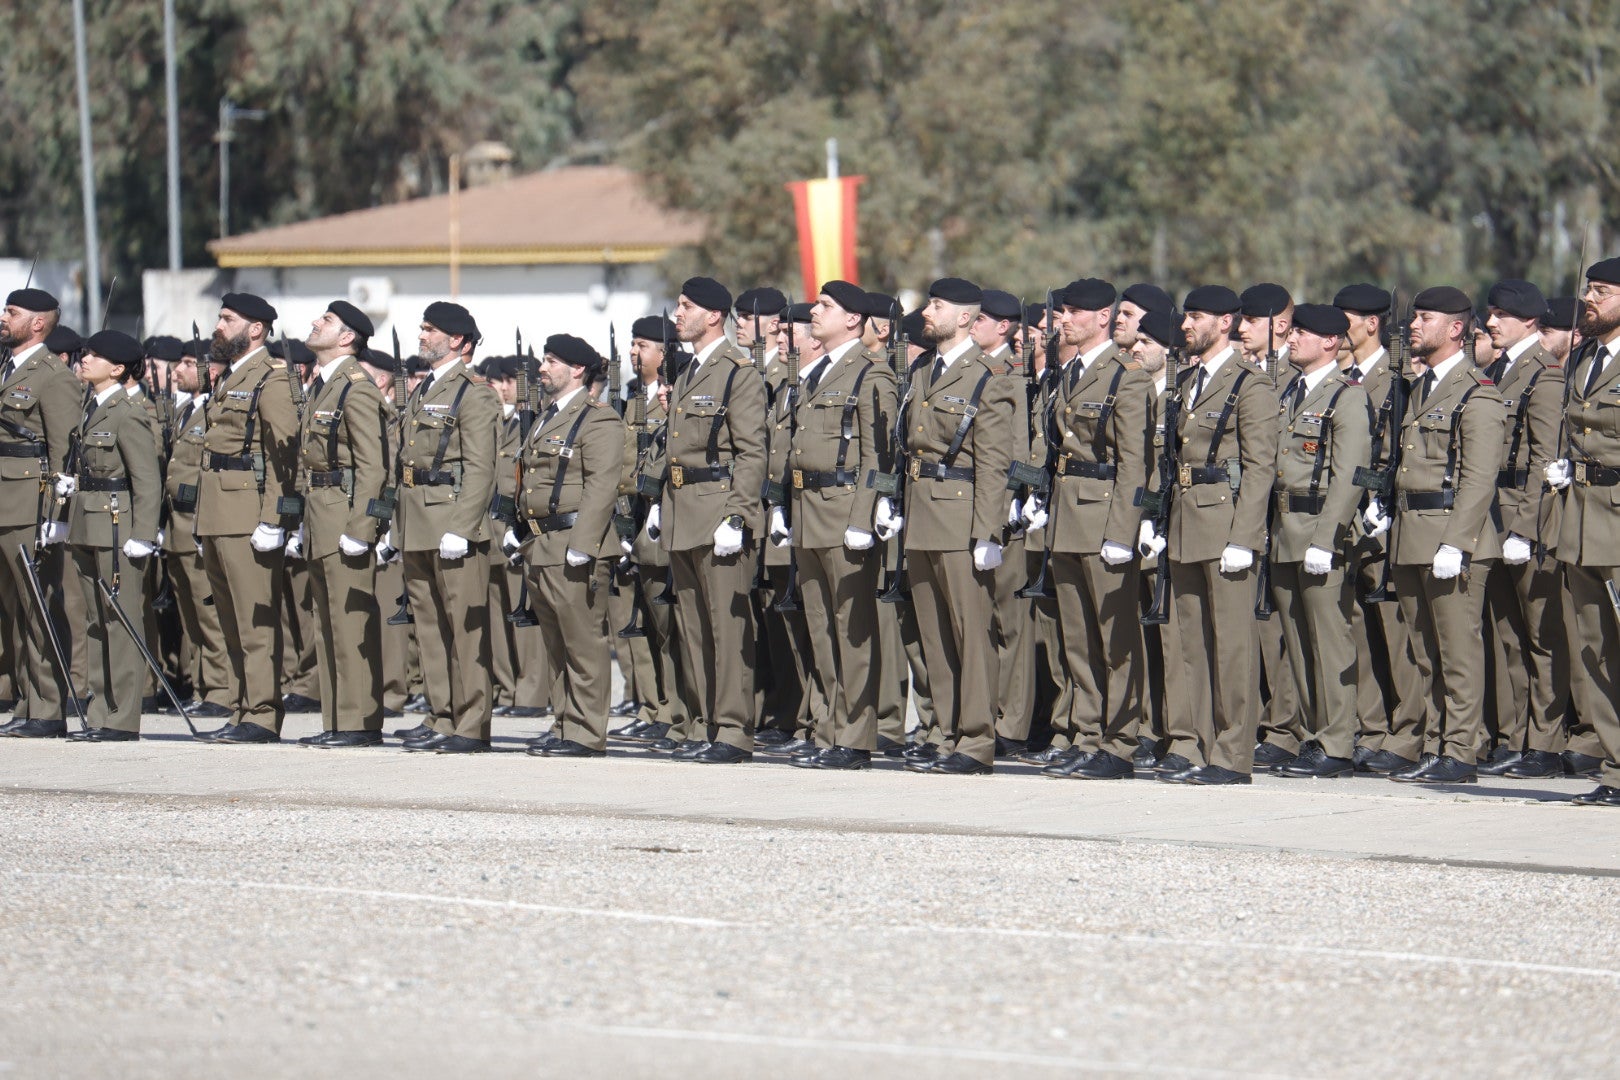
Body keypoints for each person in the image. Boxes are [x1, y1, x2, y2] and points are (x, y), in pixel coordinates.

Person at [1366, 286, 1504, 785]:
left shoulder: (1476, 393)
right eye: (1415, 317)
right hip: (1411, 535)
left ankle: (1462, 751)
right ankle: (1436, 743)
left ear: (1455, 328)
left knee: (1457, 652)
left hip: (1451, 539)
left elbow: (1478, 478)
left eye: (1425, 318)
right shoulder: (1419, 388)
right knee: (1425, 652)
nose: (1413, 325)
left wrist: (1456, 543)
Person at [1145, 285, 1278, 784]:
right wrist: (1154, 518)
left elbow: (1260, 467)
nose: (1185, 325)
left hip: (1225, 523)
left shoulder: (1250, 384)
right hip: (1184, 520)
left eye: (1195, 316)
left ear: (1225, 323)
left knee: (1233, 646)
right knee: (1189, 643)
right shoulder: (1185, 381)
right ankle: (1192, 743)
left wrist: (1244, 538)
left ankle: (1232, 753)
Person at [883, 278, 1016, 775]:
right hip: (921, 514)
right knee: (935, 637)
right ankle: (947, 732)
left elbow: (994, 463)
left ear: (964, 317)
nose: (926, 312)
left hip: (961, 519)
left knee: (970, 636)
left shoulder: (988, 377)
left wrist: (988, 532)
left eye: (936, 305)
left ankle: (977, 740)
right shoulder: (923, 371)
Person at [1036, 278, 1151, 780]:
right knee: (1078, 639)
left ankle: (1120, 742)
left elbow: (1134, 464)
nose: (1065, 320)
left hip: (1103, 516)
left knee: (1115, 638)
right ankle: (1086, 735)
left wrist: (1122, 531)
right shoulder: (1071, 372)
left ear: (1103, 317)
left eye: (1075, 312)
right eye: (1063, 311)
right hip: (1067, 515)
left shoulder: (1128, 377)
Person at [781, 280, 896, 770]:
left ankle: (856, 736)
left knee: (852, 630)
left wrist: (864, 516)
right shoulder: (818, 373)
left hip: (845, 509)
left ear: (853, 319)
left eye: (824, 306)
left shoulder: (871, 373)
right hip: (809, 510)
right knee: (821, 628)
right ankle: (828, 729)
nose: (814, 311)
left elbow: (879, 454)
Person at [652, 277, 767, 764]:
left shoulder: (737, 372)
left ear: (714, 316)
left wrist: (738, 515)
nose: (678, 313)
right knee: (694, 627)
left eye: (687, 306)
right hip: (682, 510)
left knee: (727, 627)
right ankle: (704, 723)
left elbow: (752, 451)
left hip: (718, 510)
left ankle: (734, 731)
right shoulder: (690, 372)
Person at [390, 302, 501, 753]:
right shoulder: (426, 388)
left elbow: (480, 468)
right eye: (422, 327)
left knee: (465, 630)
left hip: (452, 523)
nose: (422, 335)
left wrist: (463, 526)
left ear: (458, 340)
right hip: (417, 521)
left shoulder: (474, 392)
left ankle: (471, 723)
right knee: (429, 627)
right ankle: (441, 714)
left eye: (430, 329)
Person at [1266, 304, 1371, 777]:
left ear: (1330, 341)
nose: (1291, 338)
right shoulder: (1292, 390)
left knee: (1329, 642)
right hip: (1284, 530)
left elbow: (1349, 476)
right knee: (1298, 640)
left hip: (1318, 531)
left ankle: (1337, 742)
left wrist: (1327, 540)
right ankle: (1313, 736)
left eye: (1301, 333)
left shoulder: (1346, 396)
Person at [192, 293, 300, 744]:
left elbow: (284, 454)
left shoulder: (271, 378)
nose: (218, 325)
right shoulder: (231, 376)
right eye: (220, 317)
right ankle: (240, 708)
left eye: (227, 319)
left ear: (255, 329)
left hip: (247, 514)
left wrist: (275, 518)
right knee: (231, 622)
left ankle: (262, 713)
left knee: (256, 622)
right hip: (218, 513)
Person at [1477, 280, 1569, 779]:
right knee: (1507, 633)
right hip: (1492, 511)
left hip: (1525, 516)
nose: (1491, 322)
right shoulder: (1496, 370)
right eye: (1491, 313)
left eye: (1502, 315)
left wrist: (1526, 528)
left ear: (1530, 321)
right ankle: (1516, 736)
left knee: (1541, 635)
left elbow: (1544, 458)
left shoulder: (1544, 375)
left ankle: (1546, 742)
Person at [293, 301, 390, 747]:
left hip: (344, 517)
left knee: (350, 623)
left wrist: (362, 528)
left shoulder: (357, 388)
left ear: (347, 337)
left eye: (327, 321)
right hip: (319, 515)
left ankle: (359, 722)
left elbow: (373, 467)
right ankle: (336, 719)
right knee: (327, 623)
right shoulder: (324, 386)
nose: (316, 323)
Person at [61, 331, 161, 740]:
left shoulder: (126, 412)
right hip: (88, 522)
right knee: (95, 621)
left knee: (120, 621)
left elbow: (147, 479)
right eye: (85, 353)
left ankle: (122, 718)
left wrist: (144, 533)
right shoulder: (92, 407)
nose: (84, 360)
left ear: (117, 369)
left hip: (118, 527)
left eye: (95, 356)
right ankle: (100, 711)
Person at [1546, 257, 1620, 805]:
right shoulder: (1584, 357)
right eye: (1588, 289)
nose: (1589, 299)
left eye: (1602, 291)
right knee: (1596, 648)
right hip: (1582, 515)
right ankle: (1616, 767)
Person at [0, 288, 82, 738]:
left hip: (30, 505)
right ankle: (26, 702)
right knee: (12, 610)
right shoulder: (6, 368)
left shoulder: (53, 376)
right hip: (4, 501)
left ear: (37, 323)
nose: (3, 317)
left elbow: (64, 453)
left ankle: (49, 708)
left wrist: (57, 513)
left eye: (11, 312)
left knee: (39, 606)